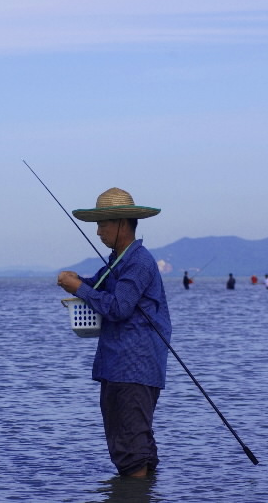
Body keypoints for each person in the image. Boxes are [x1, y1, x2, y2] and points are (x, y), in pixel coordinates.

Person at [57, 187, 172, 478]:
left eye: (102, 224)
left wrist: (78, 288)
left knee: (131, 448)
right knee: (135, 446)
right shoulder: (116, 261)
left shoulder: (139, 262)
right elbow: (95, 287)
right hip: (118, 365)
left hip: (134, 367)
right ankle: (143, 494)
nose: (98, 232)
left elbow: (119, 307)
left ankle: (133, 495)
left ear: (122, 223)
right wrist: (76, 282)